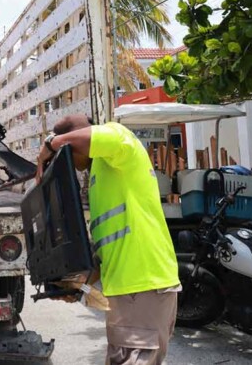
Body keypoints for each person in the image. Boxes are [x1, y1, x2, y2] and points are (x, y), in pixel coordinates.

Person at [36, 114, 180, 365]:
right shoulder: (101, 179)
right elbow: (107, 251)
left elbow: (96, 137)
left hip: (144, 286)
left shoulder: (118, 140)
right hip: (124, 294)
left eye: (65, 155)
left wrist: (50, 146)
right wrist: (77, 285)